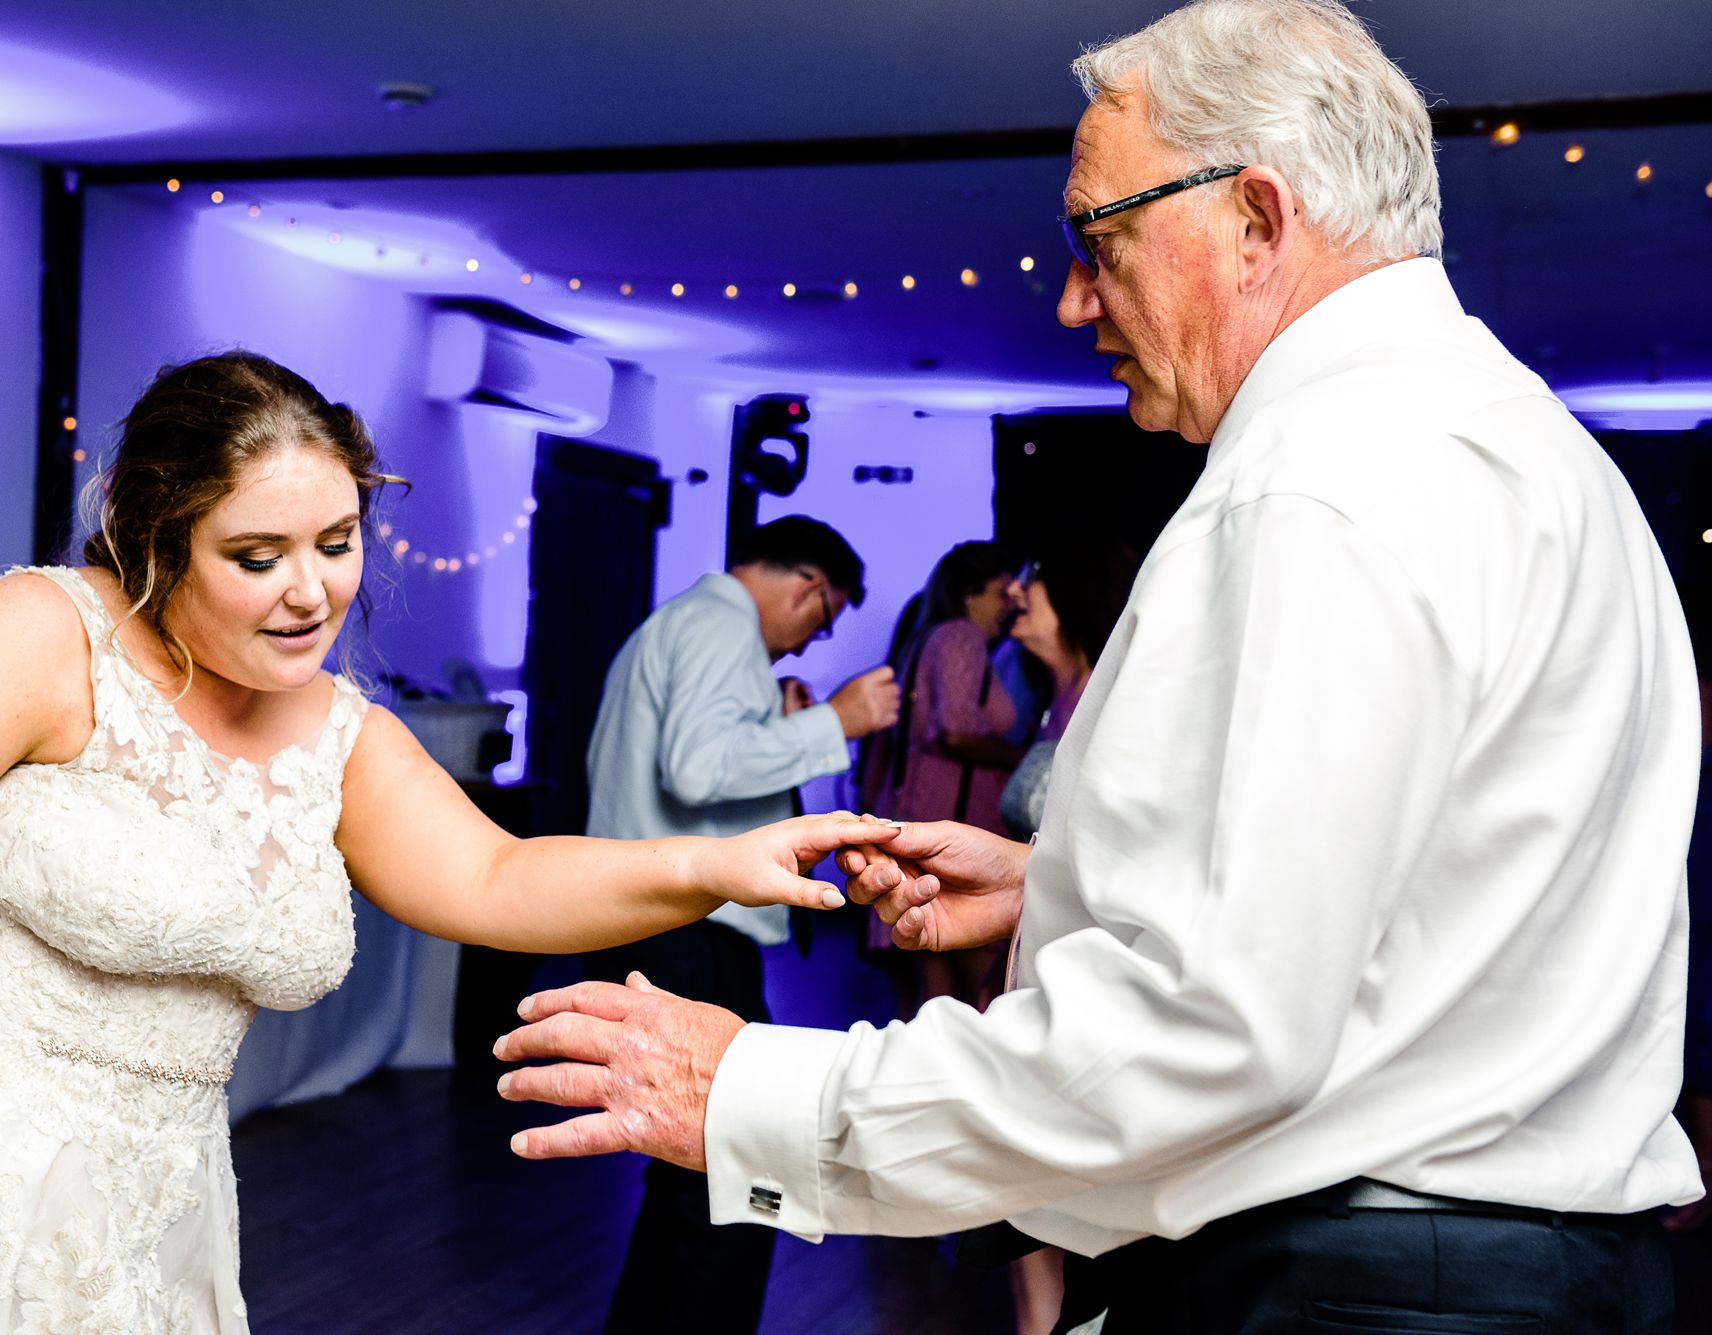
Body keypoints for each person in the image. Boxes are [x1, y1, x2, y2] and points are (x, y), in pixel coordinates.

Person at [492, 3, 1703, 1331]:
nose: (1073, 297)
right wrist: (1063, 882)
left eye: (1099, 240)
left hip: (1360, 1282)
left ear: (1256, 216)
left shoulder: (1320, 486)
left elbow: (1214, 1029)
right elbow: (1435, 901)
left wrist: (758, 1092)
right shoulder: (1535, 453)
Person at [0, 352, 895, 1331]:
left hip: (135, 1214)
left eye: (335, 542)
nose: (310, 594)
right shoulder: (39, 639)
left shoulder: (338, 732)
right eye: (255, 557)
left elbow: (493, 875)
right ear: (153, 533)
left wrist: (710, 865)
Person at [579, 514, 899, 1335]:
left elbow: (697, 756)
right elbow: (696, 770)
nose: (799, 644)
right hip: (695, 929)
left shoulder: (683, 622)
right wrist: (836, 721)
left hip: (659, 923)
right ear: (808, 587)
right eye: (816, 622)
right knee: (733, 1163)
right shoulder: (722, 627)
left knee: (684, 1166)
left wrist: (777, 721)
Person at [863, 540, 1022, 1016]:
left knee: (924, 991)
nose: (1011, 602)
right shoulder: (960, 636)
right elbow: (955, 731)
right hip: (953, 818)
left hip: (920, 809)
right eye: (1001, 591)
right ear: (971, 594)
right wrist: (1027, 759)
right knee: (972, 997)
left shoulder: (922, 636)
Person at [997, 537, 1133, 840]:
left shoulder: (1111, 699)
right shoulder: (1048, 696)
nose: (1013, 589)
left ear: (1073, 588)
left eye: (1031, 575)